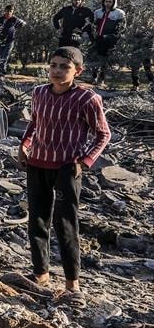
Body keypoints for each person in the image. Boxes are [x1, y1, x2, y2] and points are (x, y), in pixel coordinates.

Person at [17, 46, 111, 307]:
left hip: (67, 167)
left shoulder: (87, 99)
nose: (57, 71)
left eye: (64, 67)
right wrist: (24, 145)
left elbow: (103, 134)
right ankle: (41, 274)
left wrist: (85, 161)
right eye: (53, 65)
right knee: (37, 220)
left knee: (65, 224)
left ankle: (72, 283)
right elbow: (34, 123)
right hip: (38, 163)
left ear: (77, 71)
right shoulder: (39, 92)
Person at [86, 0, 124, 86]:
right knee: (94, 58)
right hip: (97, 39)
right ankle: (94, 77)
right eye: (106, 1)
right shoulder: (98, 12)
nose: (108, 3)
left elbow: (121, 28)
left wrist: (112, 37)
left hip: (109, 40)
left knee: (104, 60)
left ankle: (101, 79)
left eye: (110, 2)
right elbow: (92, 25)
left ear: (114, 3)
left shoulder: (119, 13)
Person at [0, 4, 27, 76]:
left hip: (10, 41)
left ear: (12, 12)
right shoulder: (0, 19)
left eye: (10, 11)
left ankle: (2, 72)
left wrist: (20, 24)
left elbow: (23, 23)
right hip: (0, 41)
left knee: (5, 56)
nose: (9, 13)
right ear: (5, 11)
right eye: (7, 11)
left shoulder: (14, 19)